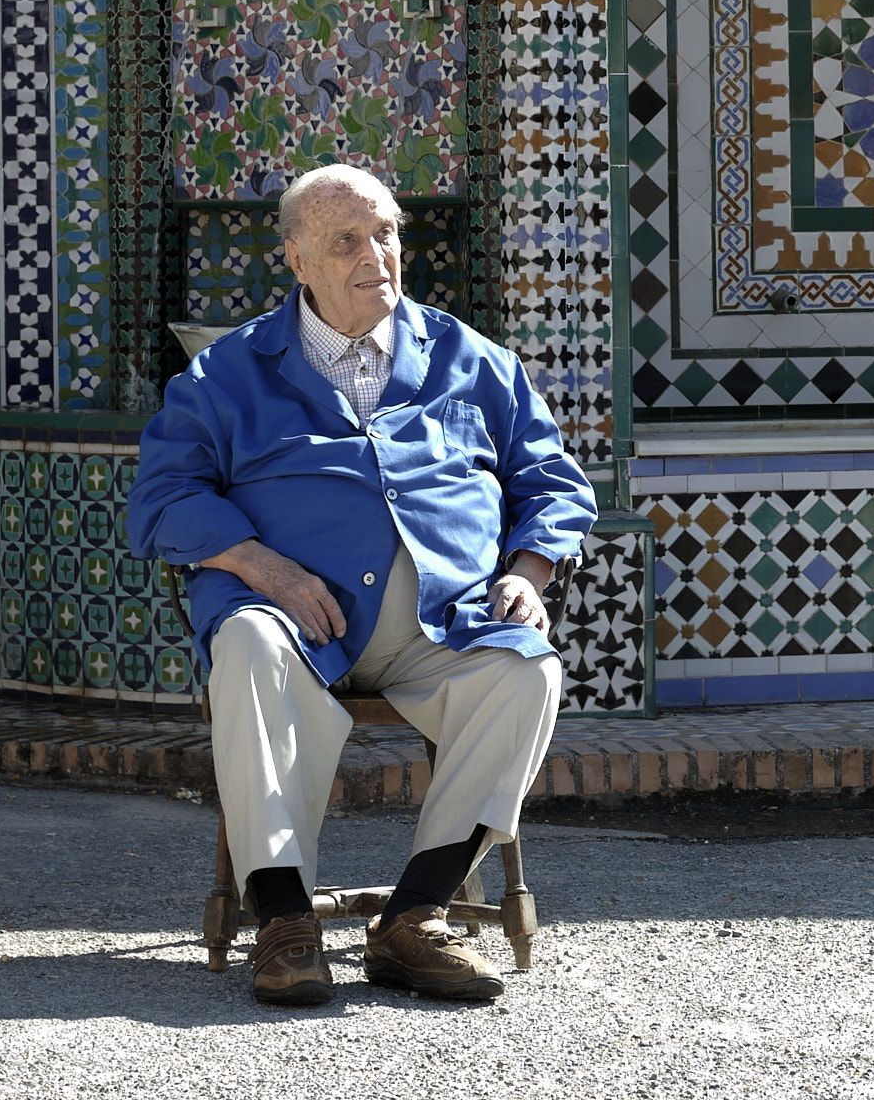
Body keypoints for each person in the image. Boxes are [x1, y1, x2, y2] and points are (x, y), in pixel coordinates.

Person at [129, 163, 594, 1006]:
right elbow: (163, 498)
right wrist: (260, 565)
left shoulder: (470, 359)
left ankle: (414, 919)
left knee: (529, 668)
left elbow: (554, 482)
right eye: (346, 240)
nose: (373, 254)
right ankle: (283, 921)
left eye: (385, 234)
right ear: (297, 259)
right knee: (242, 642)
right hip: (295, 623)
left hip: (440, 624)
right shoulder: (227, 375)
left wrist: (529, 569)